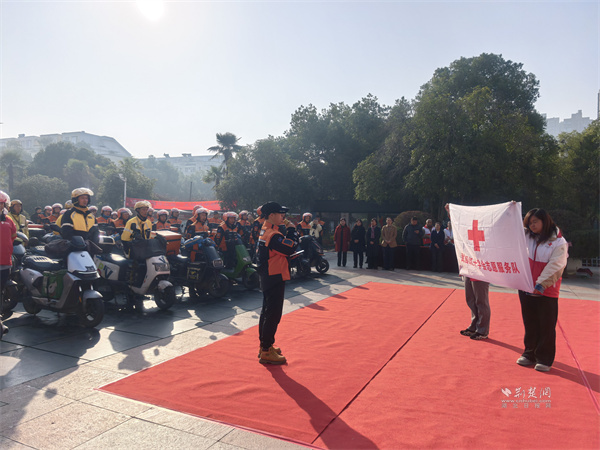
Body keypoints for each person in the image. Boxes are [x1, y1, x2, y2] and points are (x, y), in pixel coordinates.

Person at [517, 208, 568, 372]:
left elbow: (557, 265)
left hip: (546, 290)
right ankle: (529, 353)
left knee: (546, 325)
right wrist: (511, 211)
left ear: (544, 221)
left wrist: (540, 285)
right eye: (529, 223)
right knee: (529, 322)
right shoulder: (526, 236)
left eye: (535, 222)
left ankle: (544, 358)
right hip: (526, 287)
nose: (531, 226)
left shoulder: (559, 242)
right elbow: (507, 229)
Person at [256, 201, 298, 365]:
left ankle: (265, 346)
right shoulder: (273, 235)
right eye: (281, 214)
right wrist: (292, 230)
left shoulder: (266, 230)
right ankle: (266, 350)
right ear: (271, 215)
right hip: (274, 276)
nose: (283, 217)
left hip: (269, 275)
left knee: (267, 312)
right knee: (273, 314)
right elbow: (290, 247)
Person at [0, 191, 17, 337]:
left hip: (5, 262)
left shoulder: (9, 220)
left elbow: (13, 236)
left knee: (1, 291)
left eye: (1, 204)